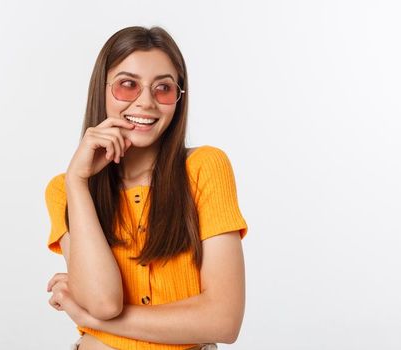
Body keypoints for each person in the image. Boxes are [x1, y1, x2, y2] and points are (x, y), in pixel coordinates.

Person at [44, 26, 248, 350]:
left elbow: (223, 321)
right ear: (102, 90)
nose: (146, 103)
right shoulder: (64, 190)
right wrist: (77, 182)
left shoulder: (204, 169)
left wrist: (94, 322)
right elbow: (104, 302)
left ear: (179, 99)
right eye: (128, 85)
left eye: (163, 88)